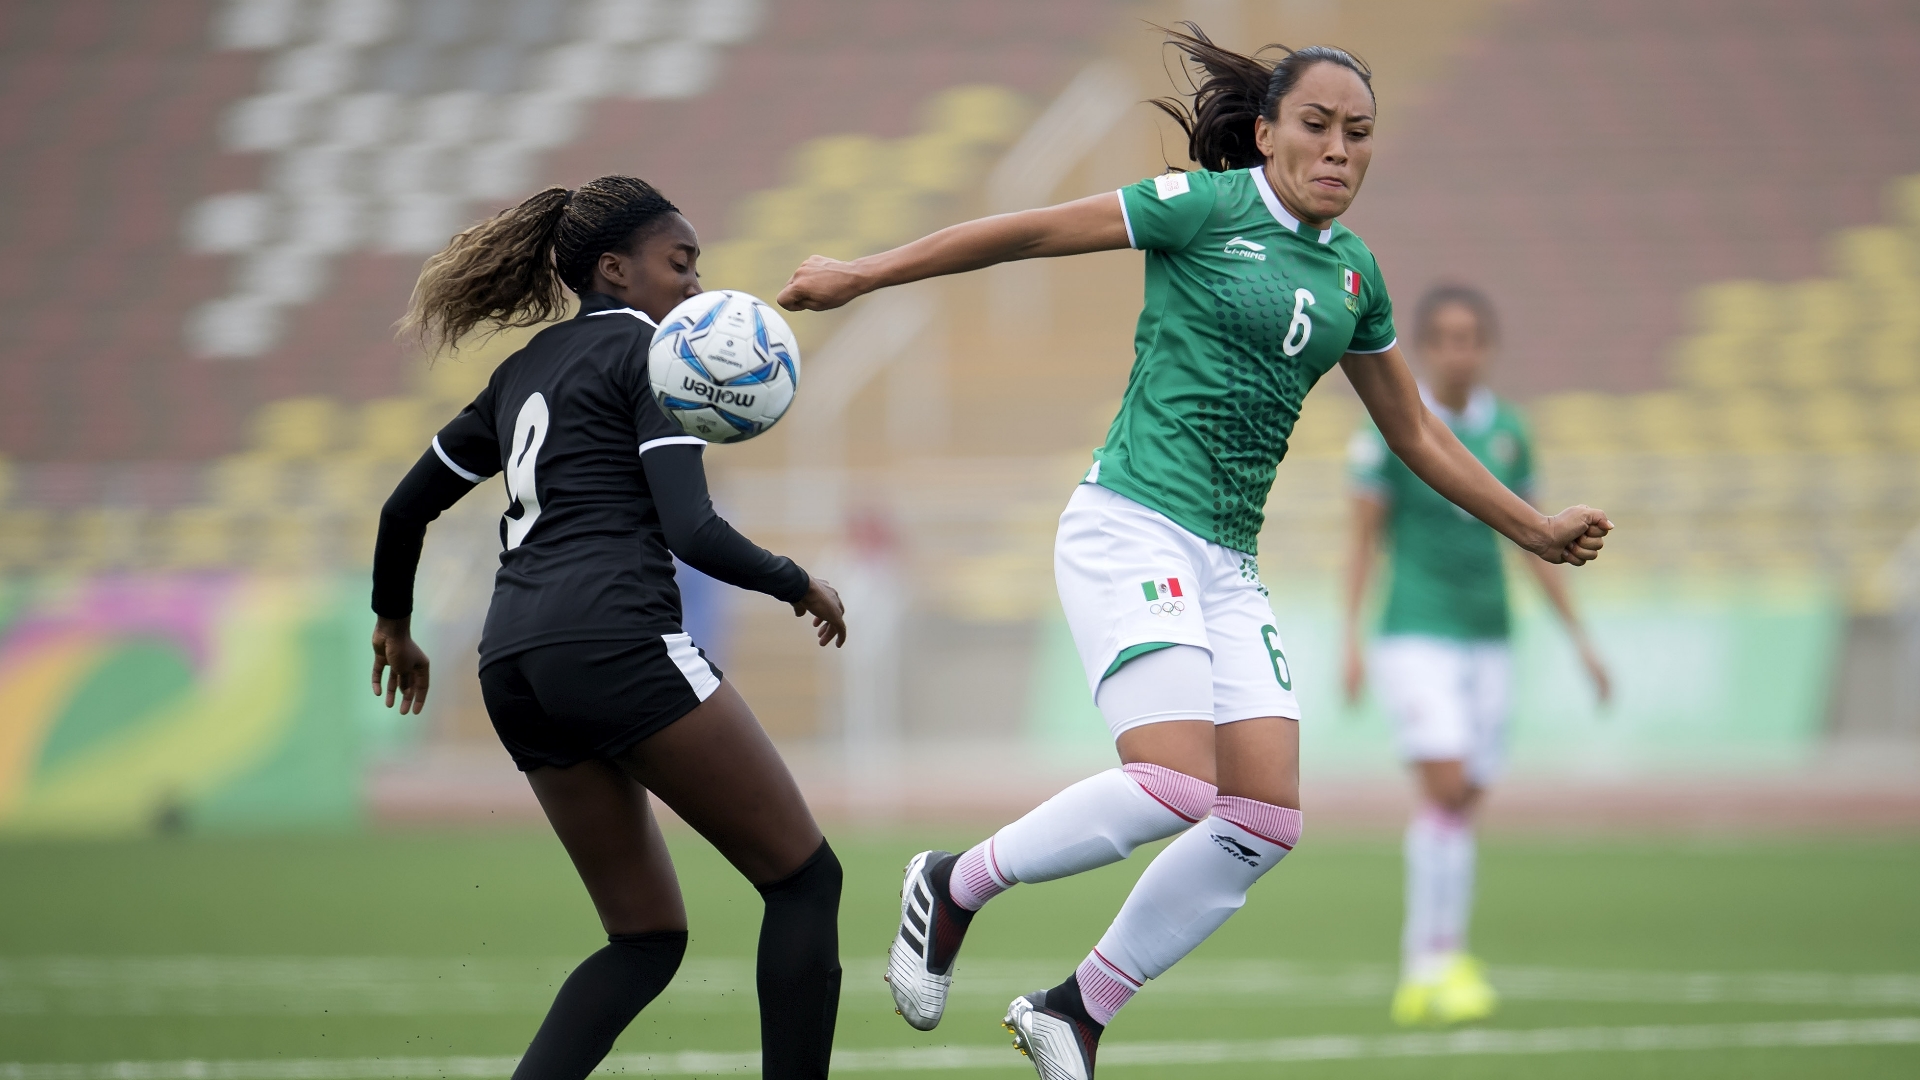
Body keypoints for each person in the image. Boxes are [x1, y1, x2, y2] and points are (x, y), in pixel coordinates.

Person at [778, 24, 1612, 1080]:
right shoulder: (1206, 210)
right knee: (1174, 785)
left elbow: (1415, 435)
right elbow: (1030, 232)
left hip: (1224, 560)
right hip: (1130, 521)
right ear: (1265, 133)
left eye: (1359, 134)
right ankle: (953, 885)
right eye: (1315, 126)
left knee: (1262, 819)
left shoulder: (1356, 276)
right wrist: (864, 273)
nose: (1339, 151)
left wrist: (1531, 526)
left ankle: (1073, 1011)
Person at [368, 175, 848, 1080]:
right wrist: (798, 582)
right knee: (803, 879)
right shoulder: (658, 358)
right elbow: (690, 531)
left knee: (643, 938)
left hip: (512, 662)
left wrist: (393, 622)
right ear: (616, 270)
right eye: (681, 263)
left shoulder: (523, 370)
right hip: (614, 640)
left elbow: (405, 508)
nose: (697, 287)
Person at [1342, 283, 1611, 1027]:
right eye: (1447, 339)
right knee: (1447, 783)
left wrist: (1581, 641)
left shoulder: (1509, 432)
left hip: (1490, 635)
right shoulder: (1393, 426)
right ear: (1425, 348)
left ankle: (1437, 958)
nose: (1460, 352)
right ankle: (1430, 961)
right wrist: (1351, 640)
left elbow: (1539, 544)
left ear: (1487, 348)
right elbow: (1362, 538)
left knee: (1461, 803)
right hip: (1415, 632)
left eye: (1472, 339)